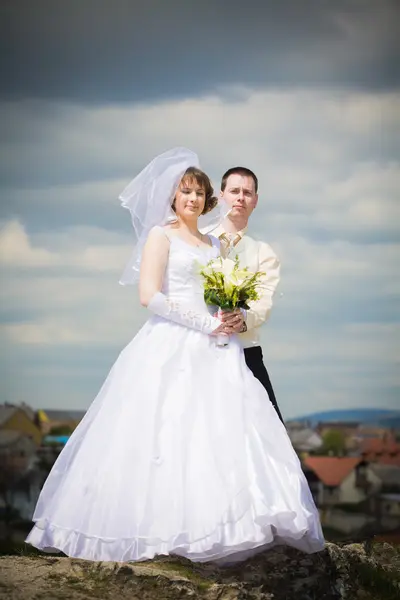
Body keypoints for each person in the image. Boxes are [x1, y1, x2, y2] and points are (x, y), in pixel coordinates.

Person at [26, 148, 324, 564]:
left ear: (208, 200)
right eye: (186, 192)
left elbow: (225, 295)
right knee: (162, 432)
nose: (193, 199)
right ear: (172, 196)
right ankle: (154, 532)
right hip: (171, 342)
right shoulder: (159, 236)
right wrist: (205, 325)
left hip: (218, 347)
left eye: (199, 193)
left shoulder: (212, 243)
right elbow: (150, 295)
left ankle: (224, 528)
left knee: (220, 435)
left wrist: (223, 318)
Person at [209, 167, 284, 423]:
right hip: (199, 348)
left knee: (271, 436)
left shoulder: (264, 252)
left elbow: (264, 302)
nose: (240, 197)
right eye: (234, 191)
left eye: (247, 192)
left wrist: (242, 318)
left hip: (246, 352)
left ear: (255, 201)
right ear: (221, 196)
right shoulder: (200, 242)